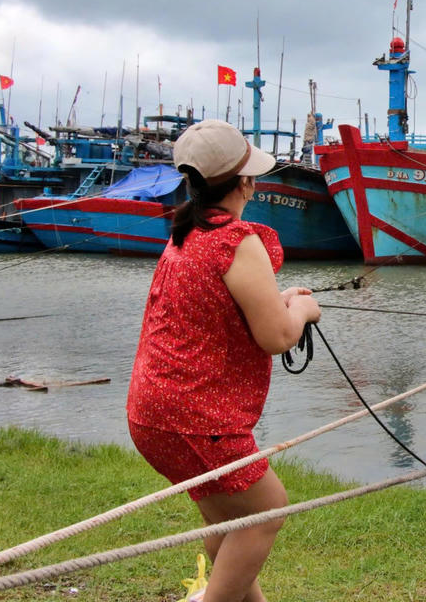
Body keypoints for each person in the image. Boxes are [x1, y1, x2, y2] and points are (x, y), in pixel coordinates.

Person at [127, 119, 321, 602]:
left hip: (152, 411)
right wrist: (302, 310)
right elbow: (278, 336)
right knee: (266, 510)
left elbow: (218, 305)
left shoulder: (185, 232)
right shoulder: (236, 239)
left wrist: (279, 300)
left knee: (229, 519)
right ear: (246, 182)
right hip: (197, 415)